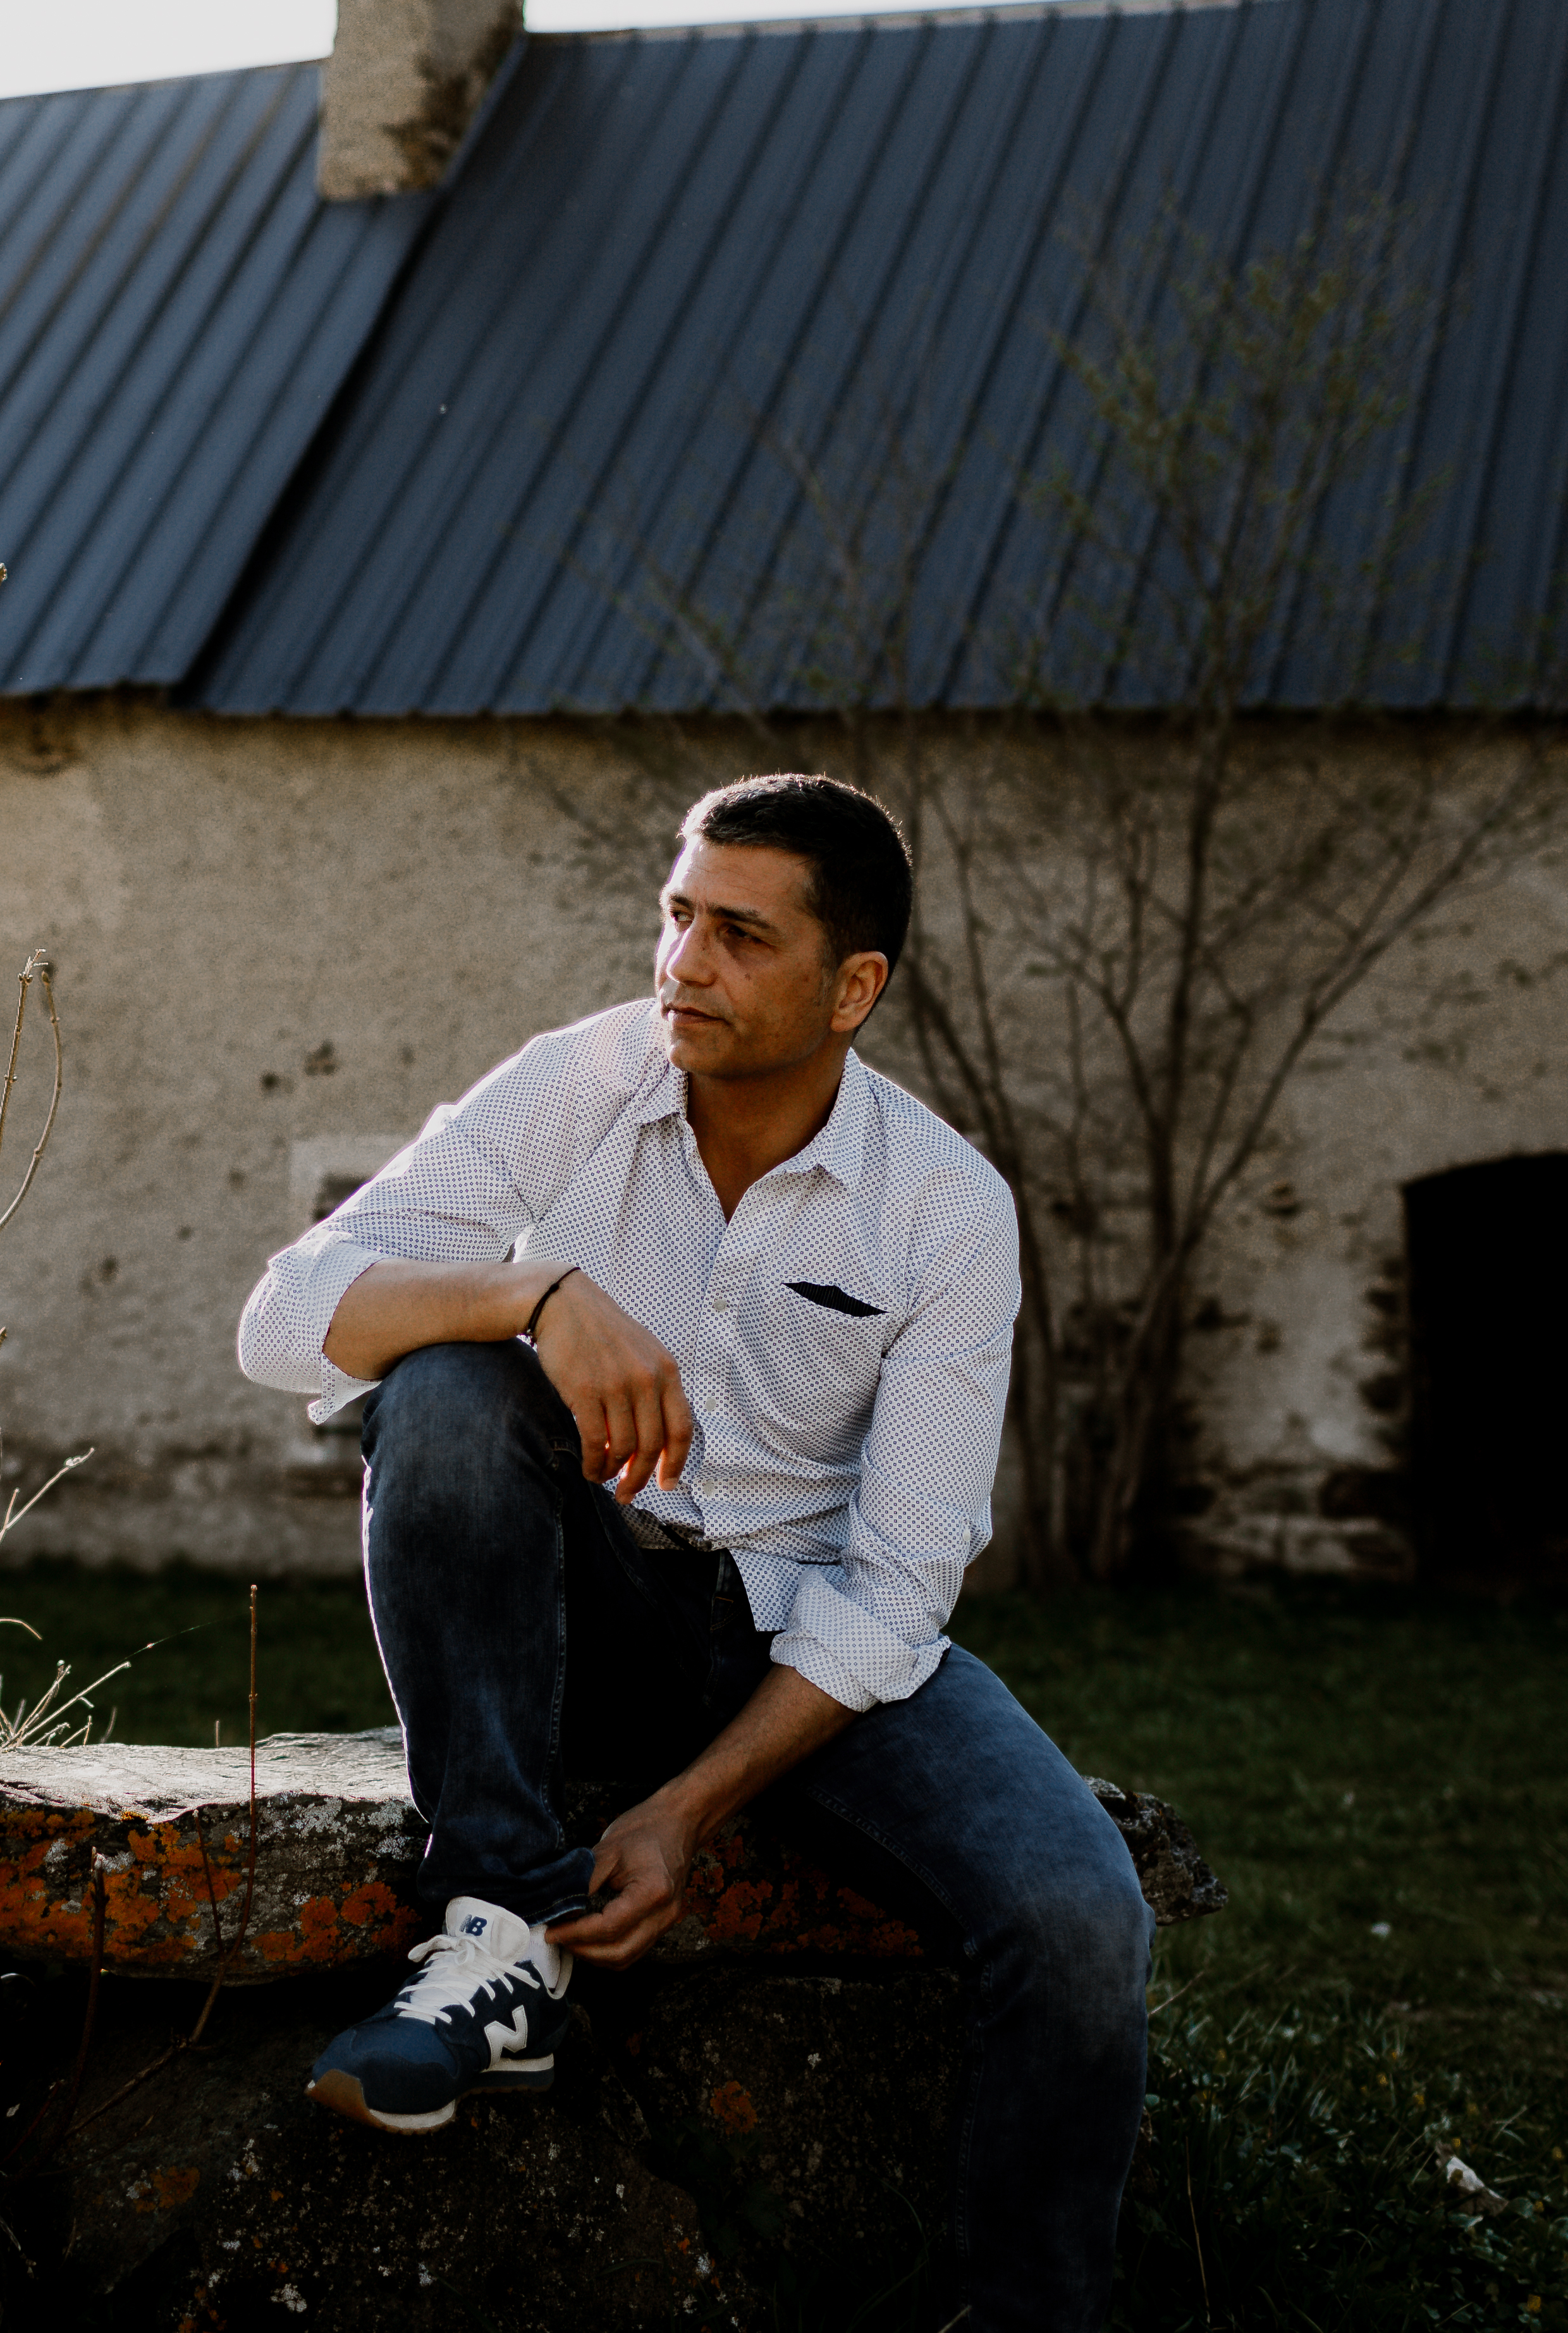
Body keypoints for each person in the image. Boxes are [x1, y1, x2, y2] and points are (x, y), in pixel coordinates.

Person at [234, 773, 1152, 2331]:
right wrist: (530, 1293)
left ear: (851, 986)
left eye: (739, 934)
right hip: (574, 1612)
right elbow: (280, 1322)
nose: (683, 963)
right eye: (675, 916)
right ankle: (501, 1939)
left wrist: (689, 1809)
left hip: (810, 1650)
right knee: (448, 1387)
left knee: (1081, 1914)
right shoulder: (575, 1083)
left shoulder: (942, 1211)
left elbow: (903, 1583)